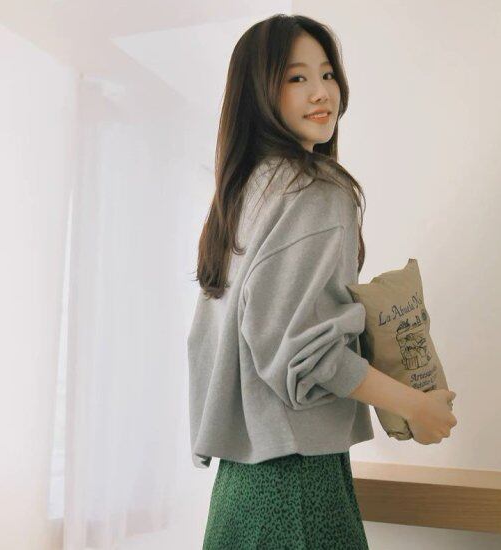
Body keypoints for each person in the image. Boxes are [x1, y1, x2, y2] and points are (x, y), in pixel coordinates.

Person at [186, 13, 458, 549]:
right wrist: (415, 405)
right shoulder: (315, 192)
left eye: (328, 74)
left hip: (239, 489)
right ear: (258, 92)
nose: (321, 92)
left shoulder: (242, 196)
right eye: (297, 77)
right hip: (297, 486)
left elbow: (219, 343)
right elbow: (305, 355)